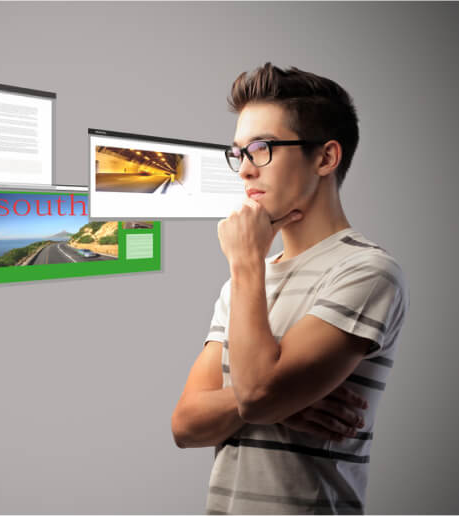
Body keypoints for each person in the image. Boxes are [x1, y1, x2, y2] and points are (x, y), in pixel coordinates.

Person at [171, 63, 408, 514]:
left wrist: (245, 262)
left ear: (325, 158)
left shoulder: (367, 271)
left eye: (261, 149)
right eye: (238, 152)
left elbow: (259, 395)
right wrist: (281, 402)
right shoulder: (244, 285)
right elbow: (185, 425)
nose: (243, 170)